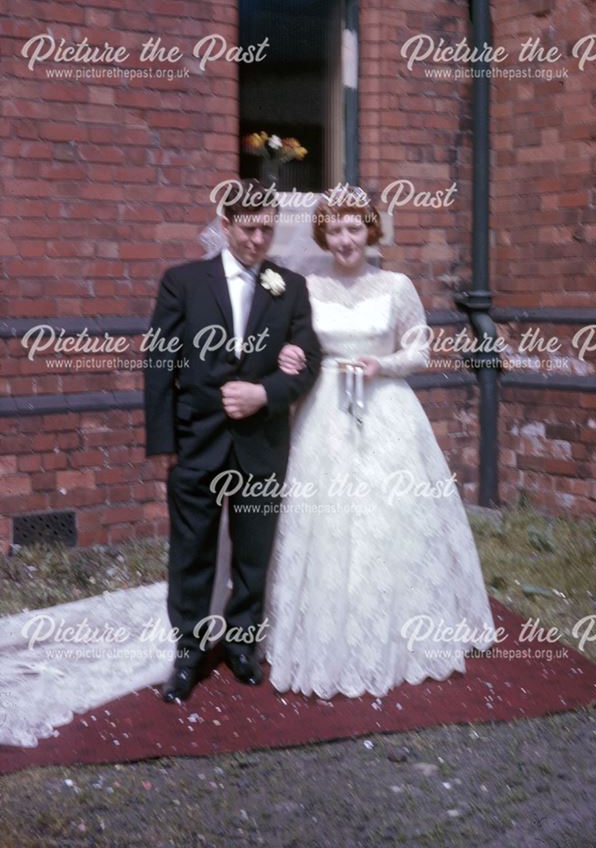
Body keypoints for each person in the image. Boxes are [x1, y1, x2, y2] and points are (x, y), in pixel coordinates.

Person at [260, 186, 497, 699]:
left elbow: (420, 350)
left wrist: (381, 365)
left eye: (354, 228)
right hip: (325, 413)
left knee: (394, 517)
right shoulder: (308, 287)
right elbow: (297, 345)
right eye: (336, 230)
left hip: (386, 408)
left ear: (370, 231)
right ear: (324, 235)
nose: (345, 239)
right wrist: (292, 360)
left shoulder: (397, 285)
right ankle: (320, 628)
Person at [144, 179, 322, 702]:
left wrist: (265, 392)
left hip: (261, 443)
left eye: (267, 228)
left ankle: (243, 644)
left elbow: (308, 361)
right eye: (249, 228)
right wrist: (164, 443)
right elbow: (160, 364)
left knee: (253, 550)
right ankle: (189, 652)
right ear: (225, 225)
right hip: (197, 441)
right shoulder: (182, 282)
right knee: (192, 549)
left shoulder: (290, 287)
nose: (258, 239)